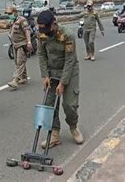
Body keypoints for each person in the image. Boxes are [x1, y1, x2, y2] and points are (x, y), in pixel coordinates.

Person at [37, 10, 83, 148]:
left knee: (69, 104)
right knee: (50, 104)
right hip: (52, 71)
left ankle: (73, 126)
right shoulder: (42, 35)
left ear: (54, 24)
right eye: (42, 29)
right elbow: (41, 55)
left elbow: (70, 60)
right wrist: (45, 75)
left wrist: (63, 83)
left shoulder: (68, 35)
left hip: (69, 71)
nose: (45, 32)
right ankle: (55, 134)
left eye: (47, 28)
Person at [0, 6, 32, 89]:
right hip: (15, 44)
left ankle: (15, 80)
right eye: (8, 14)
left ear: (15, 12)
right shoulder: (13, 21)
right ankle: (24, 77)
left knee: (20, 62)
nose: (9, 15)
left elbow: (27, 30)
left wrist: (29, 42)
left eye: (10, 13)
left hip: (21, 45)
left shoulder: (22, 20)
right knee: (18, 62)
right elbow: (5, 26)